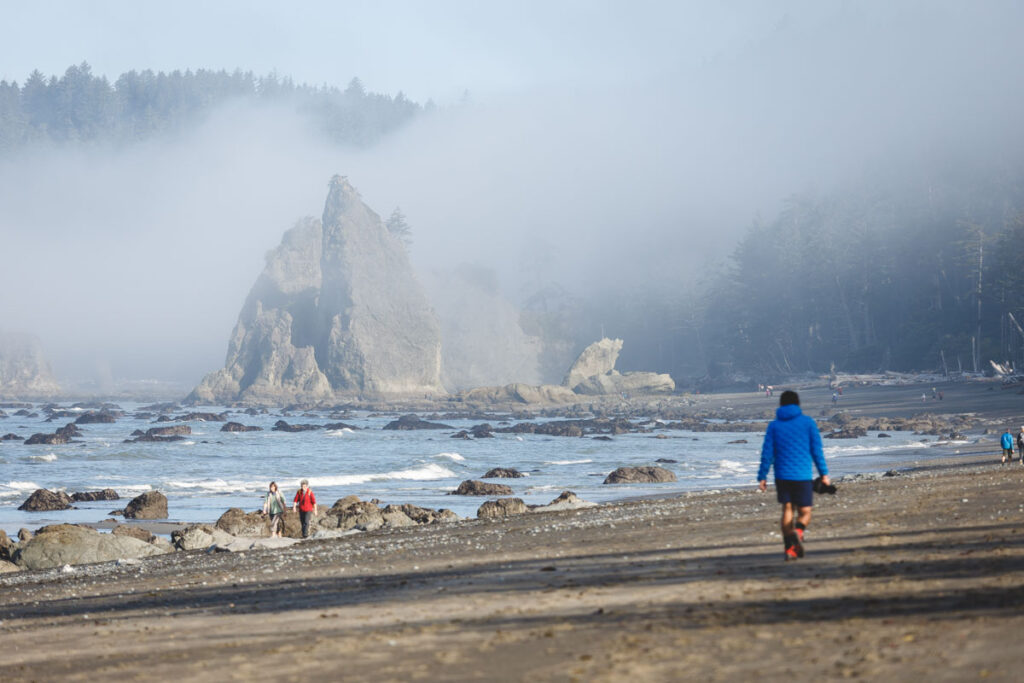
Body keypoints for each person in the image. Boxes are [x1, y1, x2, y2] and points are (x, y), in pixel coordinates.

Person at [758, 390, 831, 561]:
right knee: (805, 511)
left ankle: (790, 548)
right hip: (803, 474)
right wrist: (824, 474)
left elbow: (767, 453)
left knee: (787, 509)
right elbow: (816, 451)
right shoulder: (808, 423)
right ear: (798, 404)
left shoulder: (774, 426)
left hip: (782, 475)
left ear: (781, 405)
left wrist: (762, 476)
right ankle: (798, 532)